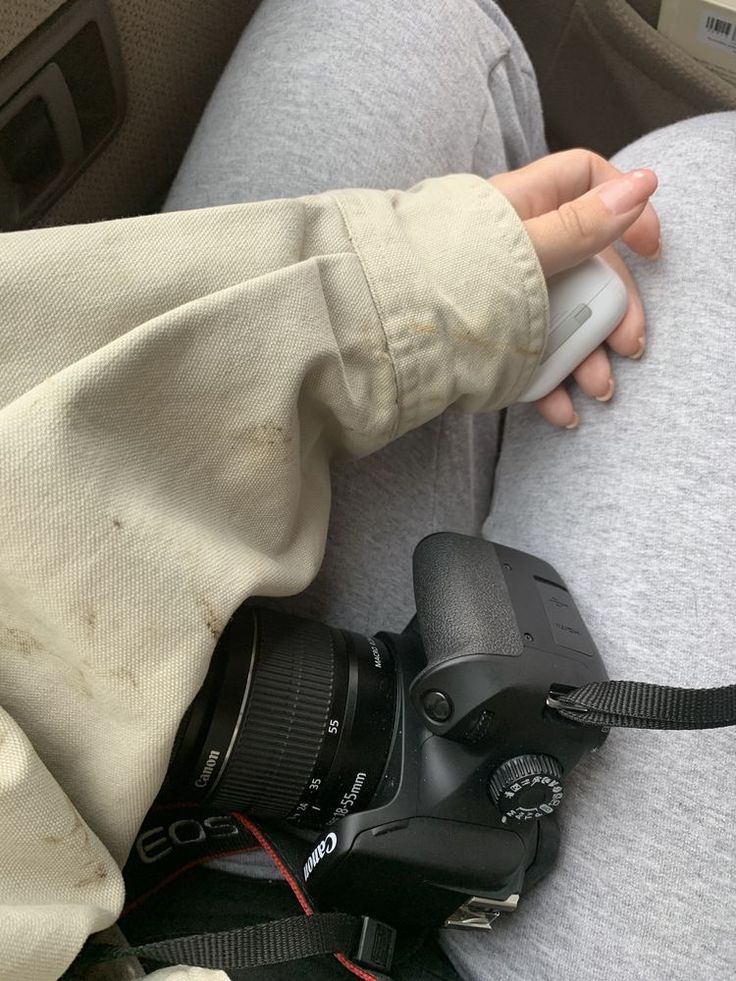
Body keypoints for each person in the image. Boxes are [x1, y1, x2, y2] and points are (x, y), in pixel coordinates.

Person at [0, 1, 732, 980]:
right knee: (703, 200)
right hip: (218, 934)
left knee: (395, 15)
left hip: (112, 561)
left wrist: (408, 293)